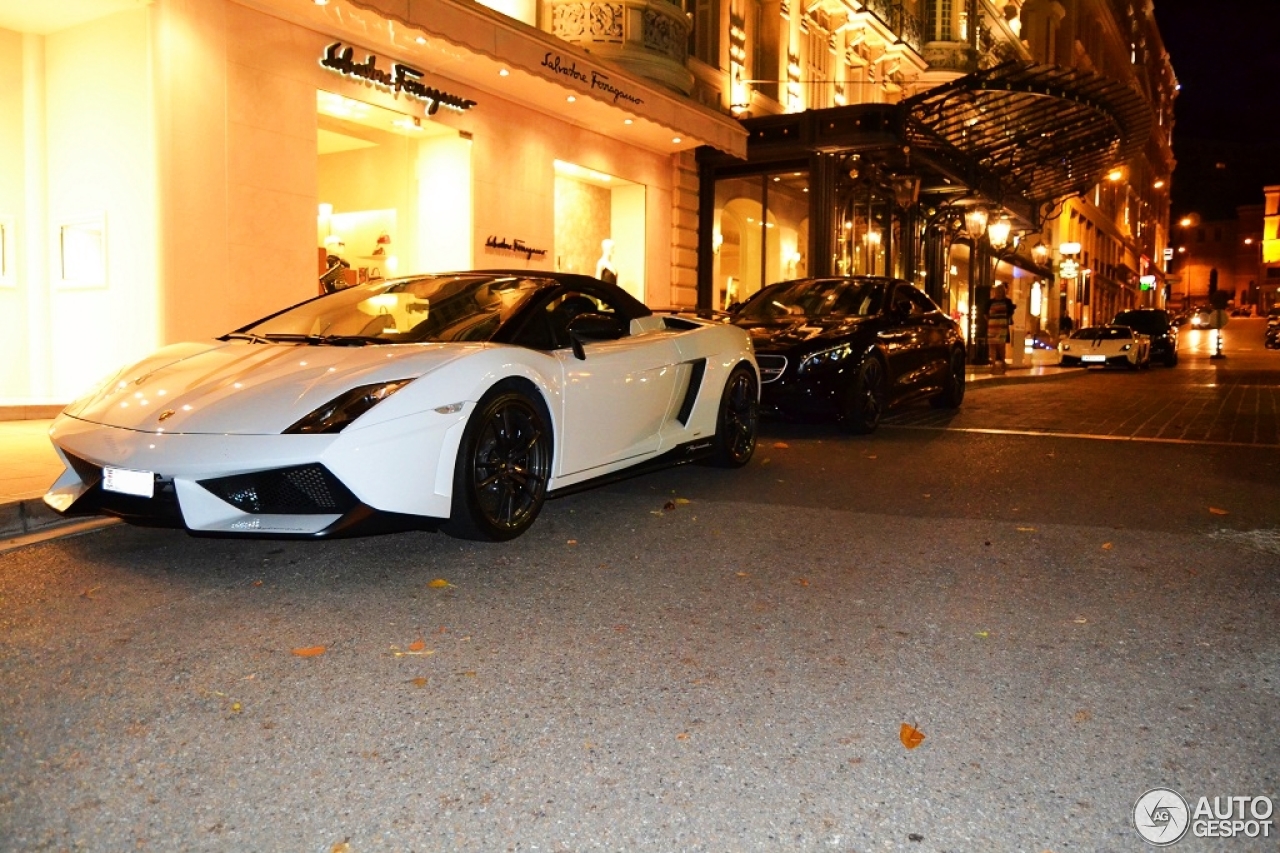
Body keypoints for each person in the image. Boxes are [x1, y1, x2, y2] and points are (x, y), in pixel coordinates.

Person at [987, 284, 1015, 373]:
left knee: (1001, 346)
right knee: (992, 345)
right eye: (997, 291)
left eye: (1000, 291)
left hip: (1002, 326)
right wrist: (990, 321)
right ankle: (994, 364)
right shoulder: (990, 302)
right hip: (992, 327)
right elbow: (985, 313)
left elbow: (1010, 312)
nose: (998, 293)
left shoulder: (1007, 301)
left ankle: (1002, 362)